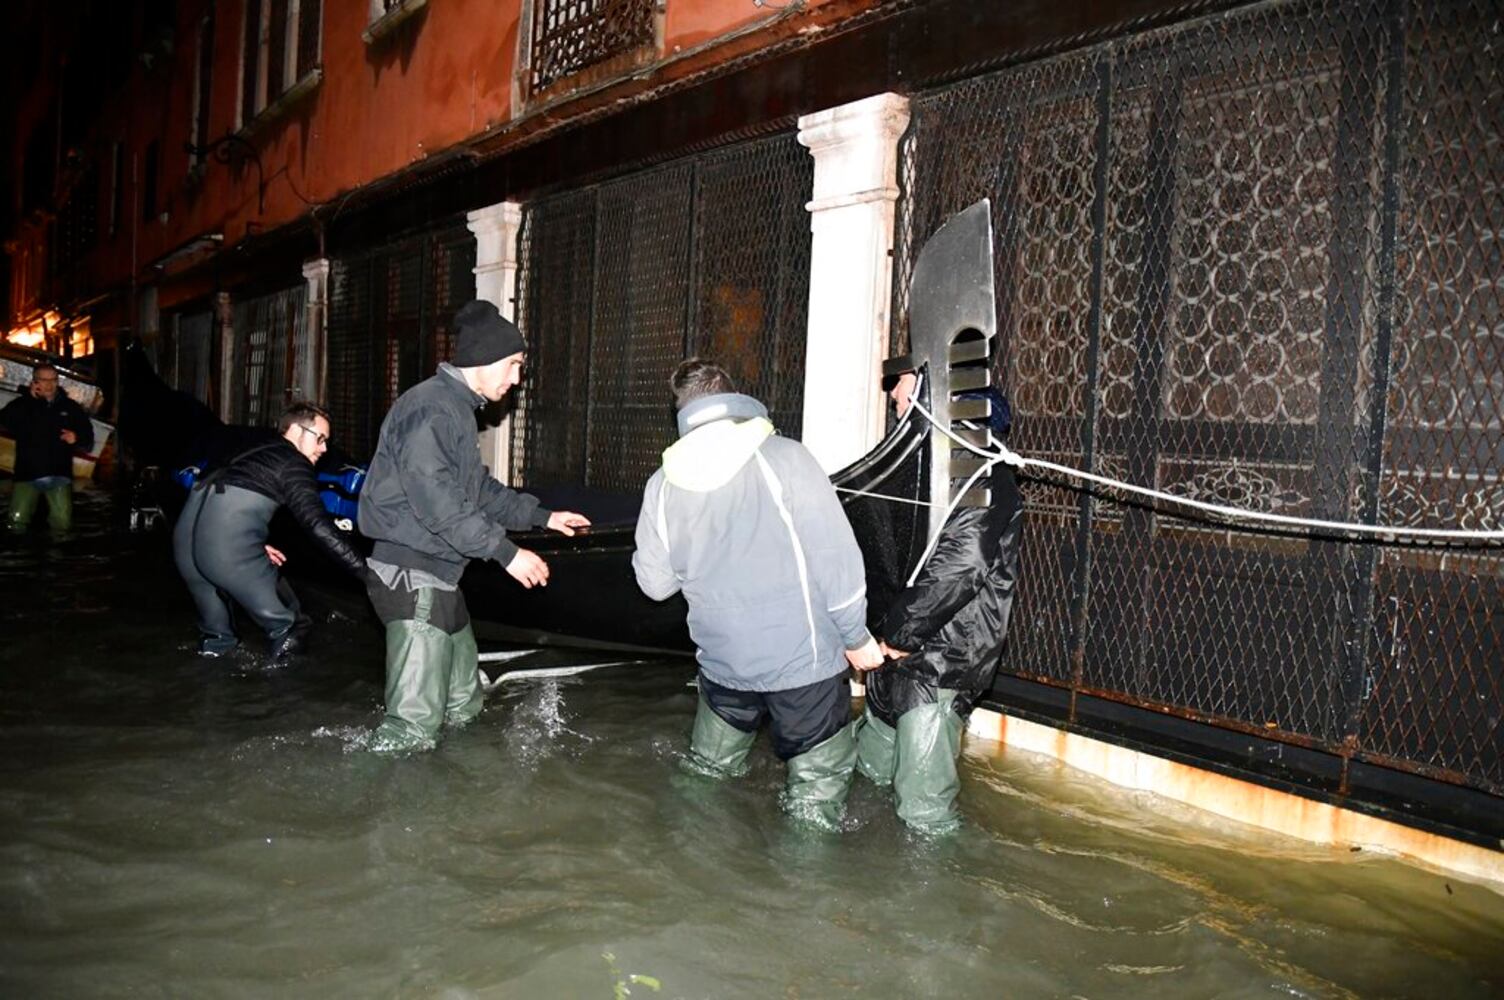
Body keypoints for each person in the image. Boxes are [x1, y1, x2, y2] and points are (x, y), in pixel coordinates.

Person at [632, 359, 884, 830]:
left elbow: (655, 584)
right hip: (803, 667)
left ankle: (692, 857)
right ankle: (803, 873)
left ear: (682, 413)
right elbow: (836, 559)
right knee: (815, 797)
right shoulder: (786, 457)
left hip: (723, 666)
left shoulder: (662, 484)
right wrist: (856, 637)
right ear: (735, 400)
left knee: (706, 777)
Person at [357, 300, 590, 753]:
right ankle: (376, 793)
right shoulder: (431, 409)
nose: (517, 378)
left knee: (465, 705)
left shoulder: (457, 410)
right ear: (485, 357)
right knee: (411, 732)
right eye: (514, 364)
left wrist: (542, 516)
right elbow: (438, 502)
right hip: (412, 576)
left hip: (442, 575)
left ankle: (459, 792)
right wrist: (506, 553)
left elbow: (476, 489)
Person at [855, 366, 1024, 832]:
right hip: (895, 660)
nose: (895, 400)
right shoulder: (926, 471)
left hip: (938, 666)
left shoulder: (983, 475)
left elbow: (962, 567)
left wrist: (897, 635)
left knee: (924, 816)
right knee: (867, 780)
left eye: (903, 388)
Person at [173, 402, 367, 659]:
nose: (324, 448)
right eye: (320, 438)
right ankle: (283, 686)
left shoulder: (251, 446)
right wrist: (367, 573)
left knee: (217, 636)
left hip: (187, 546)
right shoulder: (293, 462)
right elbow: (318, 525)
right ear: (296, 430)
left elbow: (224, 494)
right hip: (225, 550)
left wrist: (249, 540)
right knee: (292, 627)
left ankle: (210, 668)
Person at [2, 364, 94, 535]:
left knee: (62, 525)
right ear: (34, 382)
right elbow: (5, 421)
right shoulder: (21, 404)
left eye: (53, 380)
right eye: (44, 380)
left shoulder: (71, 407)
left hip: (59, 475)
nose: (50, 384)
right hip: (27, 474)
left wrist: (77, 437)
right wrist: (30, 400)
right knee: (16, 523)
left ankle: (59, 550)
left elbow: (88, 436)